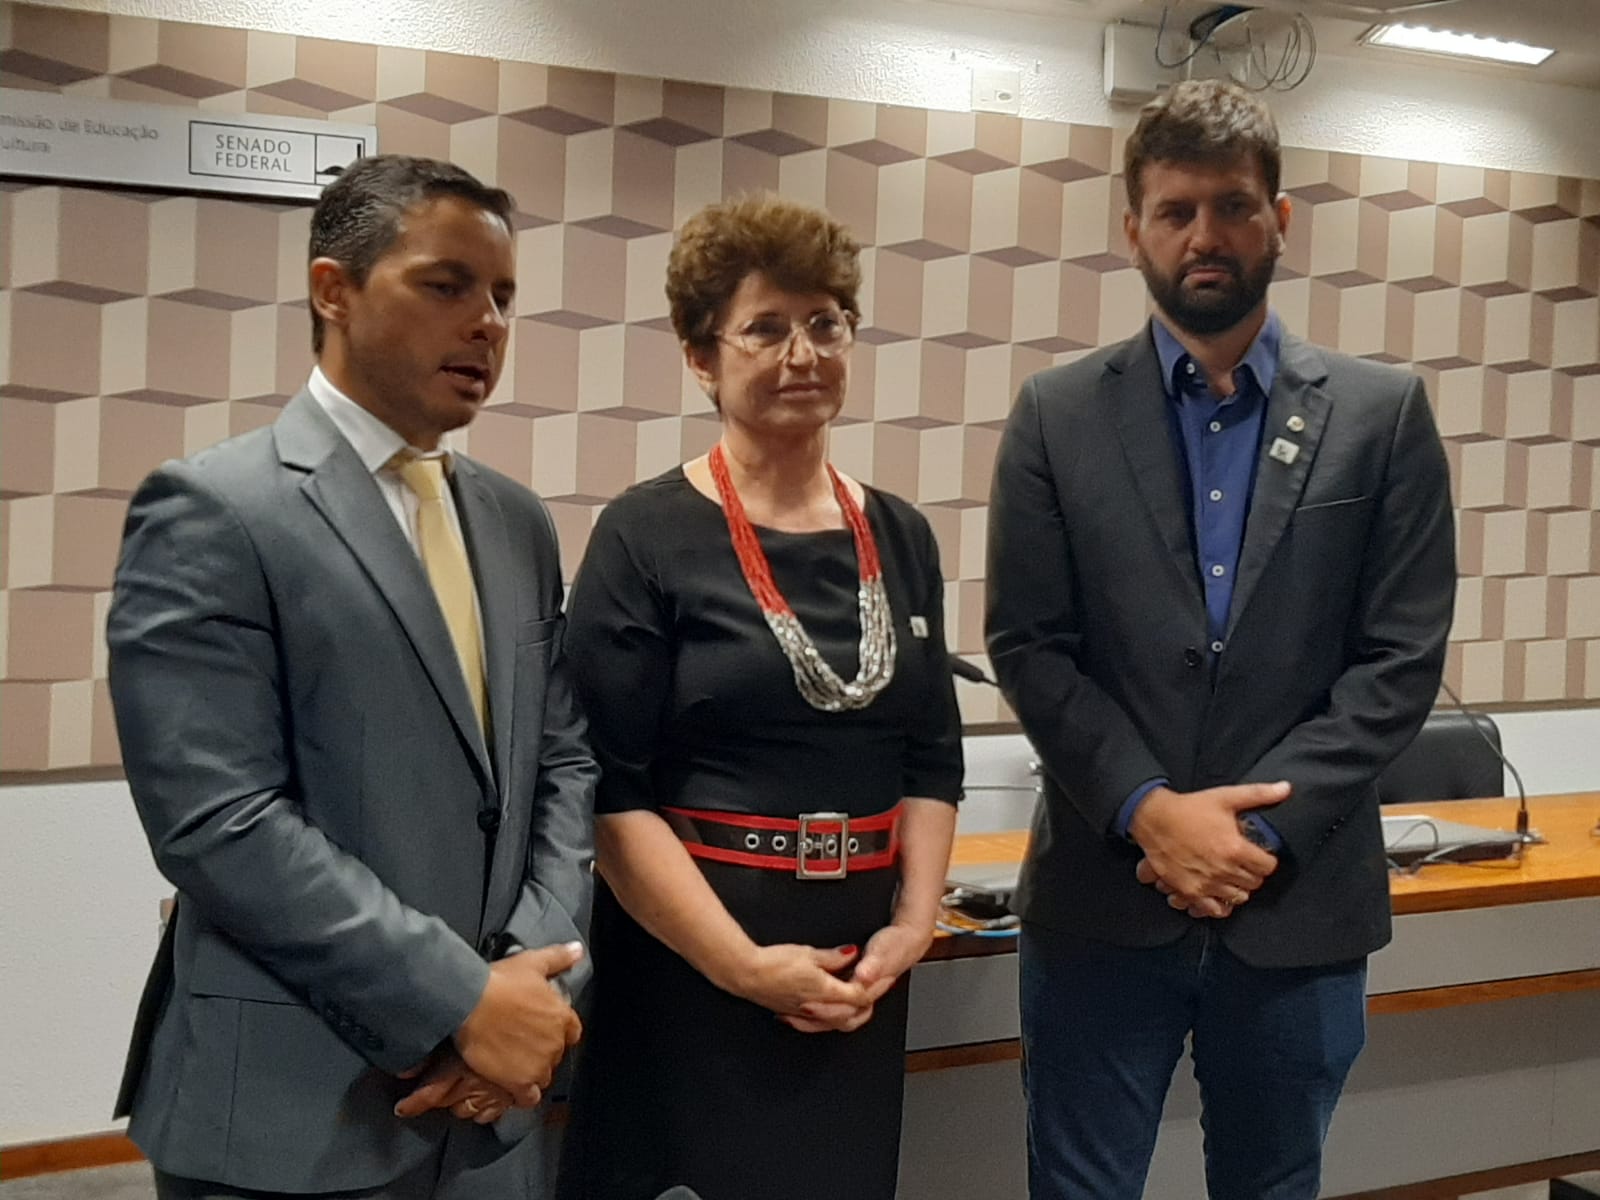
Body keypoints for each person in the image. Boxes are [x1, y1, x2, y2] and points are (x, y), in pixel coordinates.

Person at [985, 80, 1456, 1199]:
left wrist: (1252, 834)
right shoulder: (1055, 413)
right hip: (1104, 902)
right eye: (1177, 210)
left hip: (1296, 908)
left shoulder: (1381, 414)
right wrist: (1150, 810)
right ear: (1134, 228)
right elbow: (1030, 644)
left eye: (1234, 207)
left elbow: (1399, 661)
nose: (1206, 235)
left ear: (1278, 220)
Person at [107, 155, 597, 1199]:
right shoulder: (215, 509)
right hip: (294, 1118)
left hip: (492, 1115)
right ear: (334, 290)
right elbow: (218, 820)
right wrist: (461, 999)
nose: (487, 324)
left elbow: (561, 763)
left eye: (503, 296)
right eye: (447, 285)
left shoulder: (516, 523)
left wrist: (538, 974)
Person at [555, 192, 964, 1200]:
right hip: (690, 971)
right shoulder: (645, 535)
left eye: (825, 322)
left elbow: (930, 756)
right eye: (766, 328)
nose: (802, 354)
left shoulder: (902, 534)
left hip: (859, 970)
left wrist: (911, 927)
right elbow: (612, 791)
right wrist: (741, 966)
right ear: (702, 357)